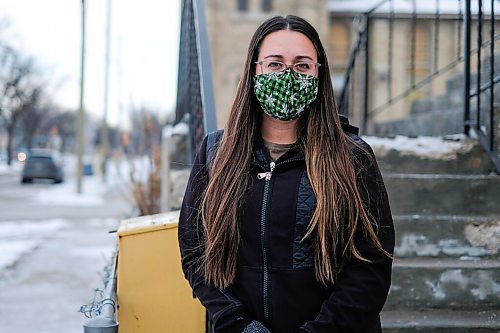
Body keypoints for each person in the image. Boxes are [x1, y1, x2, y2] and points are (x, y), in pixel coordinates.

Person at [178, 15, 394, 333]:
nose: (288, 75)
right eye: (275, 64)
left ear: (319, 75)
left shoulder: (352, 157)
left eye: (303, 65)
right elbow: (195, 250)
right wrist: (237, 323)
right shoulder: (216, 152)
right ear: (254, 69)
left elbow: (371, 266)